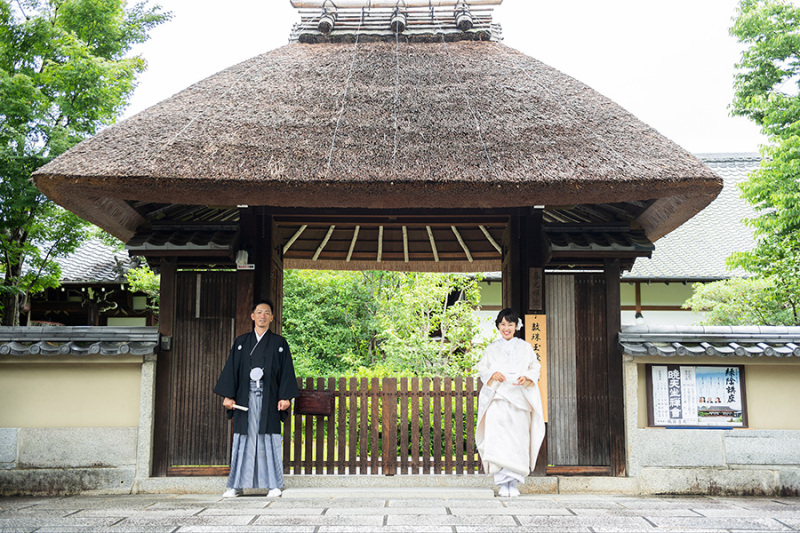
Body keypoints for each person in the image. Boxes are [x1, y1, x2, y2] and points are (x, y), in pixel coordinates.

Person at [213, 299, 299, 498]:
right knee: (243, 439)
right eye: (259, 312)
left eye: (267, 313)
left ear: (272, 318)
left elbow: (286, 372)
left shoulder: (279, 343)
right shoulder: (242, 342)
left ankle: (274, 484)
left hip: (268, 397)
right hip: (245, 398)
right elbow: (232, 370)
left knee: (268, 439)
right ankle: (236, 486)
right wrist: (228, 395)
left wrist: (285, 397)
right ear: (252, 316)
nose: (262, 316)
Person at [475, 308, 545, 497]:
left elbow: (535, 368)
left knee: (517, 440)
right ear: (498, 325)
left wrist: (527, 377)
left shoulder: (525, 347)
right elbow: (482, 369)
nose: (506, 328)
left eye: (510, 324)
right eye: (503, 324)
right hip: (498, 399)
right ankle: (502, 483)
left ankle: (513, 483)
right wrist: (492, 374)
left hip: (519, 399)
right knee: (498, 440)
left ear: (516, 326)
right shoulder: (491, 348)